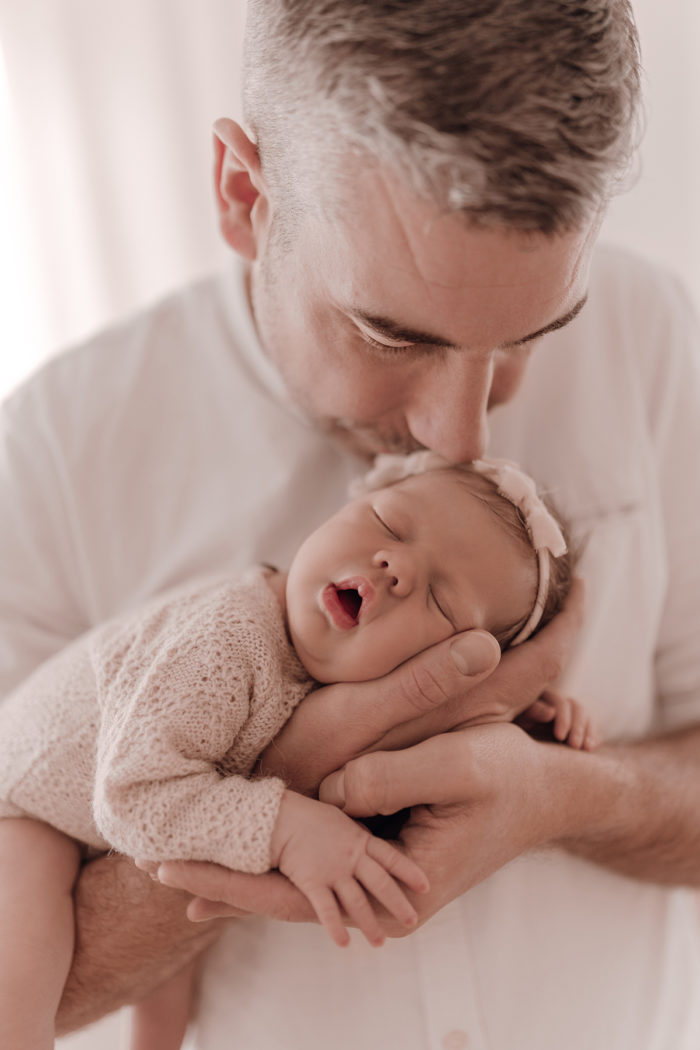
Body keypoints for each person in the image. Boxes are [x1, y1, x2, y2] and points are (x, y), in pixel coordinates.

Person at [1, 1, 699, 1048]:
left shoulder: (653, 342)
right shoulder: (52, 454)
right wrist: (283, 785)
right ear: (246, 195)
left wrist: (570, 799)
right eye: (391, 332)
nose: (460, 436)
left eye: (531, 335)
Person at [0, 453, 588, 1050]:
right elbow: (132, 796)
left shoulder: (330, 672)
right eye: (388, 522)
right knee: (21, 992)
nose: (395, 565)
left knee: (169, 1002)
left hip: (123, 807)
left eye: (441, 604)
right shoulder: (226, 638)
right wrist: (284, 828)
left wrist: (524, 711)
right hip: (24, 807)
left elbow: (425, 727)